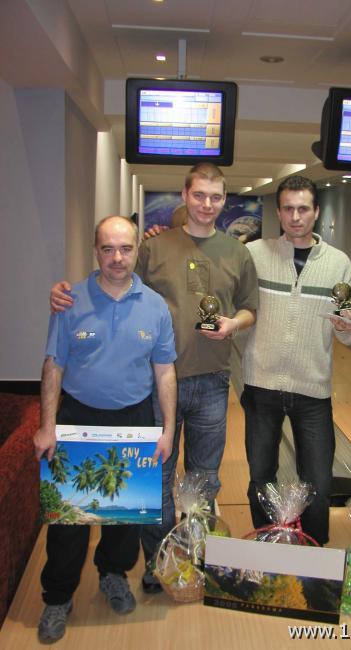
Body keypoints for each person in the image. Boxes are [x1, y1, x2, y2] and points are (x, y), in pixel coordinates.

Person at [50, 163, 259, 593]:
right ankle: (158, 563)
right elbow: (116, 285)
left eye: (215, 197)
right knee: (155, 480)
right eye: (199, 195)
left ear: (224, 199)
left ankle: (195, 560)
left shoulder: (238, 253)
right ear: (185, 195)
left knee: (204, 480)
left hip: (213, 381)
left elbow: (250, 307)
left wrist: (233, 324)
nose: (207, 204)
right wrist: (66, 295)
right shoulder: (153, 247)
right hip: (156, 382)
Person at [34, 216, 177, 642]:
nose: (117, 258)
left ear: (137, 250)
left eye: (125, 248)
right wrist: (47, 426)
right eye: (108, 249)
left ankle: (113, 575)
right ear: (95, 251)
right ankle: (57, 596)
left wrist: (168, 430)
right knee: (68, 520)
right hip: (77, 418)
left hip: (134, 421)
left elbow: (165, 372)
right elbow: (53, 365)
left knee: (125, 517)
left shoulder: (155, 306)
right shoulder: (69, 301)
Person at [241, 175, 351, 545]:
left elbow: (350, 327)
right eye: (288, 209)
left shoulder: (339, 263)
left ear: (316, 212)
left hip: (313, 389)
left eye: (303, 209)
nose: (296, 217)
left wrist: (350, 324)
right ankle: (267, 543)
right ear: (278, 212)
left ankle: (313, 548)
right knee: (260, 476)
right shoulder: (256, 253)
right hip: (261, 384)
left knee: (319, 482)